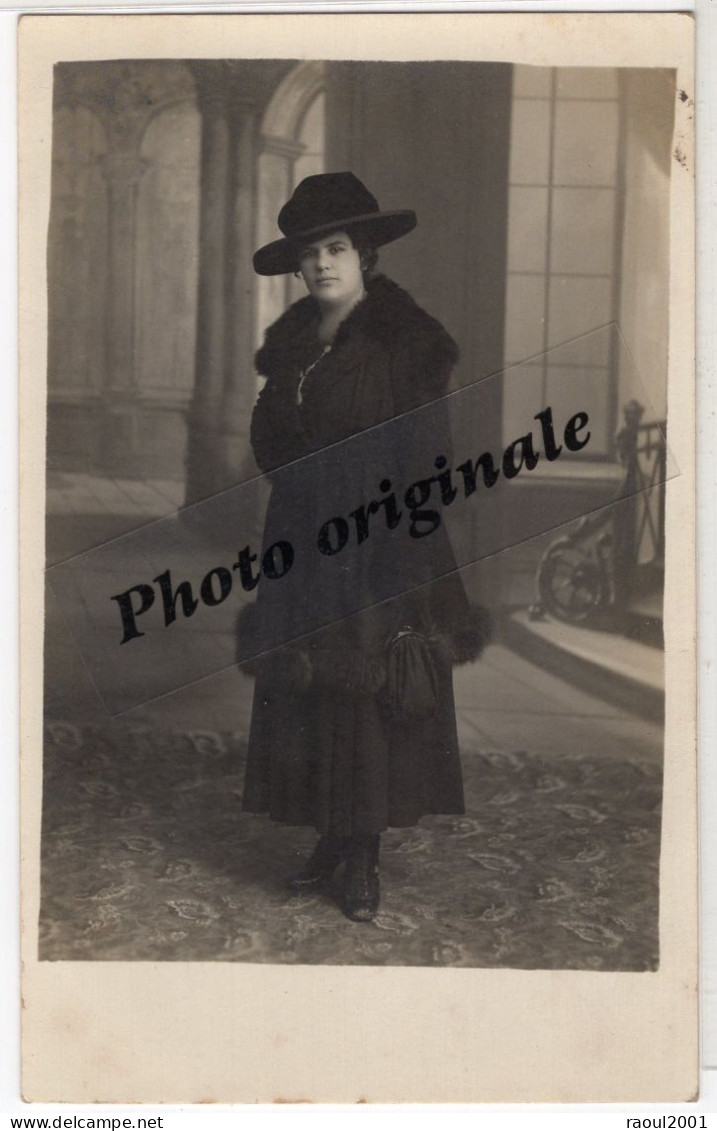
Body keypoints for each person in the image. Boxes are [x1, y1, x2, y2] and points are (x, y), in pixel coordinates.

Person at [240, 172, 490, 922]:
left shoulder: (405, 343)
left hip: (379, 543)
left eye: (336, 248)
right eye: (309, 253)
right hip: (302, 538)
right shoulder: (291, 345)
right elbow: (270, 442)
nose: (321, 264)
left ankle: (363, 860)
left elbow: (426, 454)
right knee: (309, 692)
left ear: (365, 255)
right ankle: (326, 841)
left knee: (368, 695)